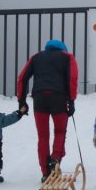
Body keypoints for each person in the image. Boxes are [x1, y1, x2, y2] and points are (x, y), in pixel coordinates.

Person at [16, 39, 79, 180]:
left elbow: (22, 78)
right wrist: (71, 101)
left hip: (39, 98)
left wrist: (21, 101)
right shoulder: (68, 57)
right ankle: (55, 160)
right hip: (59, 98)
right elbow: (72, 79)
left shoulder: (36, 57)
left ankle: (46, 172)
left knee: (43, 136)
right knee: (60, 131)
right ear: (63, 49)